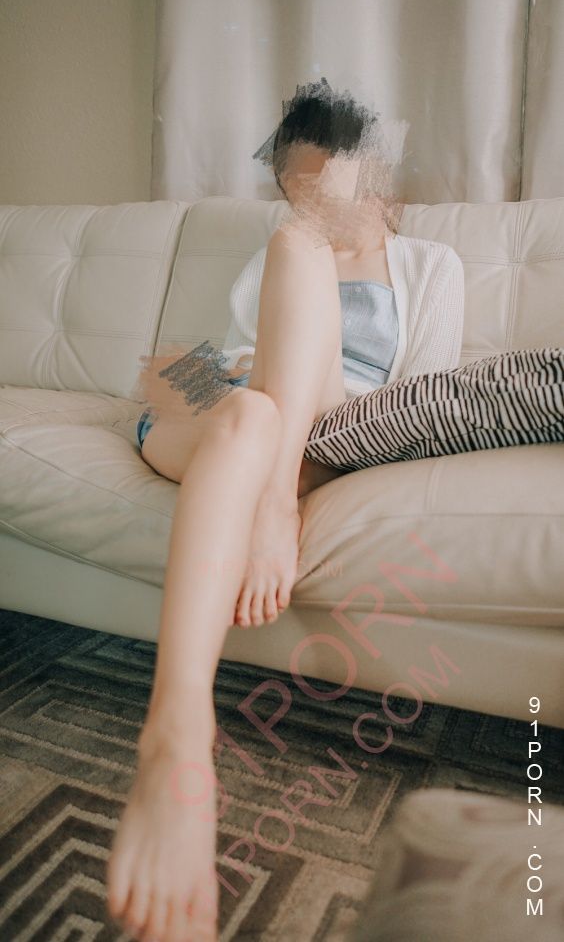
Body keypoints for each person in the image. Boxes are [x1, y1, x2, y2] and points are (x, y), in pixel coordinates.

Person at [104, 80, 532, 941]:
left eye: (324, 187)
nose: (310, 208)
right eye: (295, 193)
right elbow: (208, 360)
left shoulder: (430, 266)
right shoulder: (280, 249)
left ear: (371, 180)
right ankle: (176, 733)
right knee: (248, 406)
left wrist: (287, 433)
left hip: (334, 415)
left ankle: (265, 513)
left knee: (267, 397)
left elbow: (418, 402)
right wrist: (200, 389)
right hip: (225, 400)